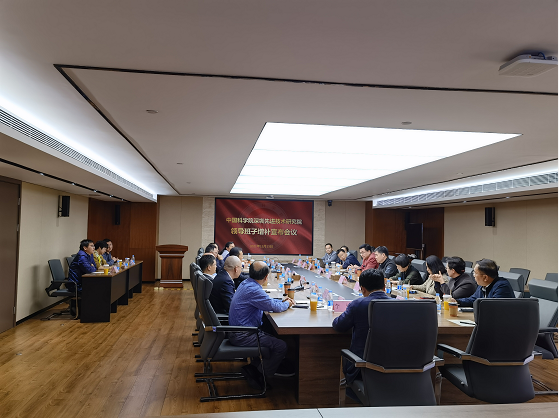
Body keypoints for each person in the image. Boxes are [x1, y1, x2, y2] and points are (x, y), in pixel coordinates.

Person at [228, 261, 295, 386]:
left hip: (238, 331)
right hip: (243, 335)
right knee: (281, 346)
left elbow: (268, 302)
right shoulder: (254, 290)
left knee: (270, 330)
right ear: (266, 277)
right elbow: (275, 307)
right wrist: (287, 303)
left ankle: (262, 365)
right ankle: (262, 374)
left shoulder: (246, 283)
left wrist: (281, 301)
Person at [332, 269, 390, 385]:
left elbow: (338, 325)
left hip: (361, 367)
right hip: (393, 366)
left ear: (362, 289)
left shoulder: (358, 305)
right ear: (384, 287)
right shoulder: (399, 305)